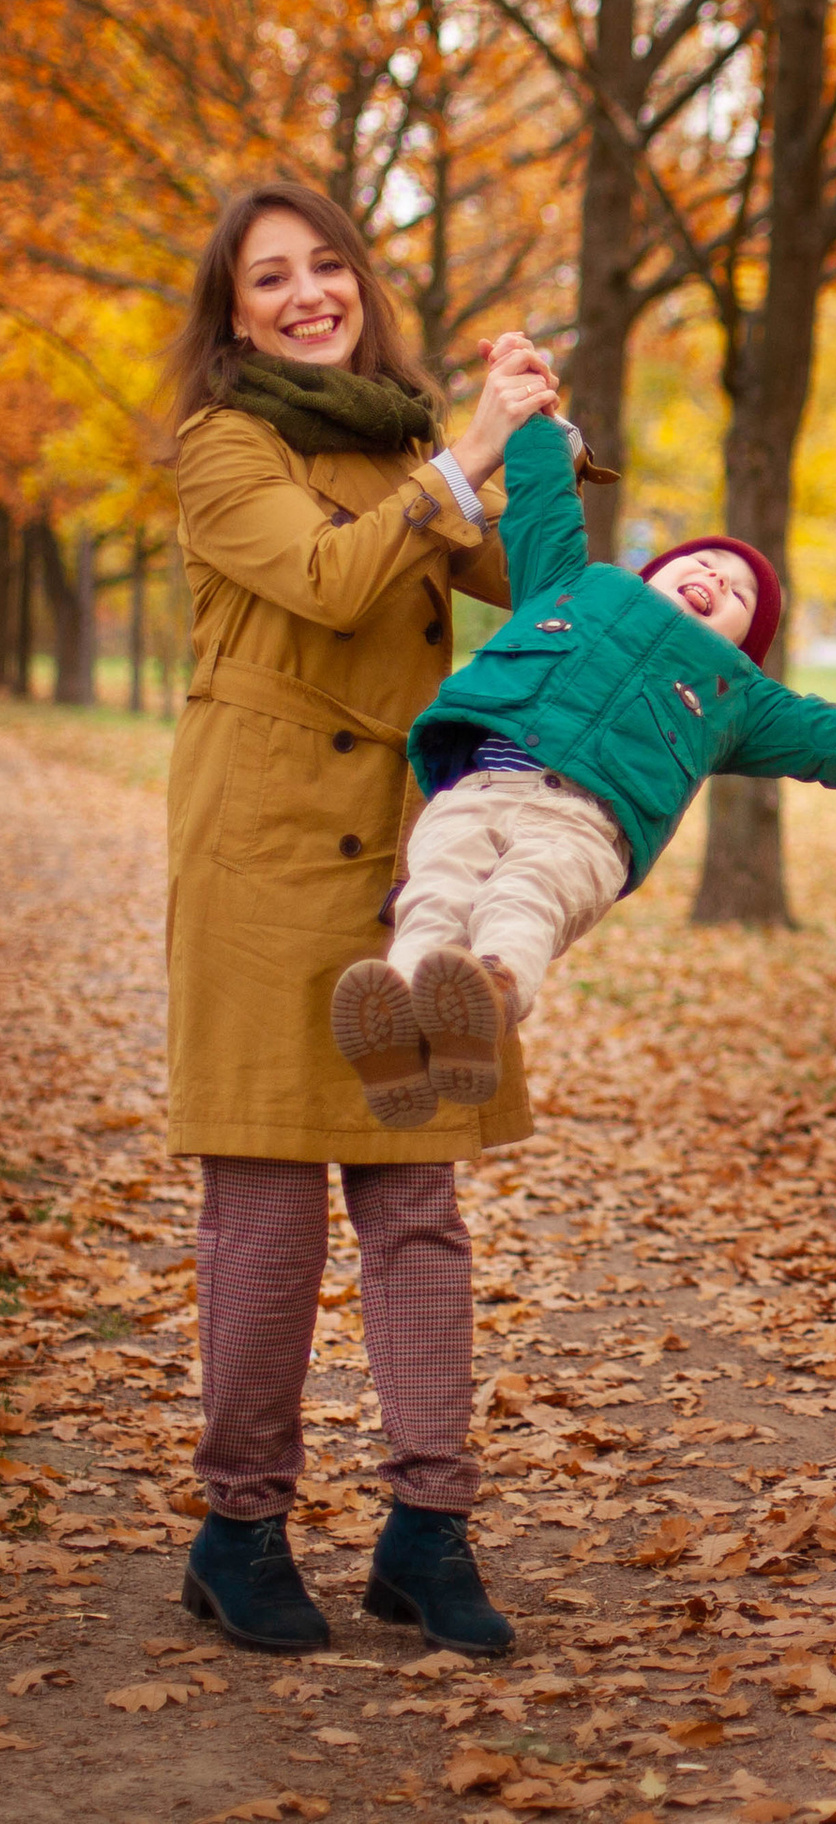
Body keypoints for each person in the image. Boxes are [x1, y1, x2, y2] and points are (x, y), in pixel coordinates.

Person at [164, 181, 568, 1661]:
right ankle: (240, 1527)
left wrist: (529, 449)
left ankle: (428, 1528)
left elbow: (533, 592)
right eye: (270, 277)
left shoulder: (411, 441)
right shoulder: (225, 445)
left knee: (419, 1207)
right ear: (235, 312)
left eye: (325, 263)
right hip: (261, 866)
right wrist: (461, 456)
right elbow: (330, 582)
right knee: (266, 1216)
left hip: (411, 869)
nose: (306, 291)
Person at [330, 410, 836, 1125]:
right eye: (703, 561)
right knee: (437, 893)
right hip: (477, 789)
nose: (716, 578)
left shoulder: (739, 695)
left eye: (740, 594)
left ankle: (487, 998)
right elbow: (545, 505)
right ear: (655, 570)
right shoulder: (574, 586)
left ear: (744, 645)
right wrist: (539, 421)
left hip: (583, 827)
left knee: (525, 898)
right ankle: (395, 1022)